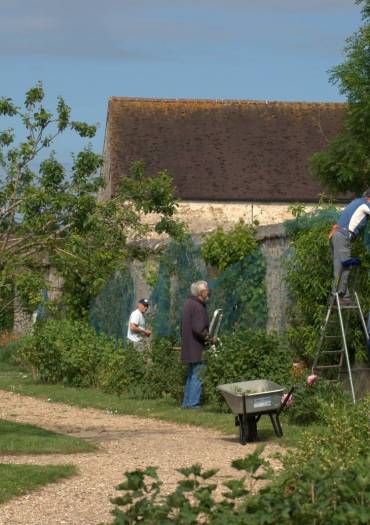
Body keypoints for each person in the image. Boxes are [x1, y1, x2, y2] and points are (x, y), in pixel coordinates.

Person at [329, 188, 370, 302]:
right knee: (345, 265)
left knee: (339, 267)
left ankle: (337, 296)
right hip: (343, 236)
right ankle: (341, 295)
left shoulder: (355, 202)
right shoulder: (365, 204)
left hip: (336, 235)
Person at [180, 280, 212, 409]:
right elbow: (198, 328)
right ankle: (193, 404)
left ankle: (186, 403)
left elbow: (182, 326)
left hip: (188, 344)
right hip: (196, 346)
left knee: (191, 375)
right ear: (201, 292)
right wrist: (209, 337)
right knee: (198, 374)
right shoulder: (198, 306)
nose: (208, 292)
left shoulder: (188, 303)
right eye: (206, 290)